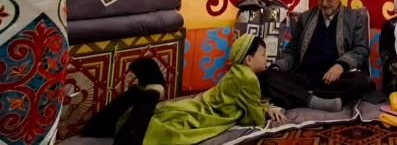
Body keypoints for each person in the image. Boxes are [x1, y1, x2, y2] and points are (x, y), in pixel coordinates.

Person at [81, 34, 284, 144]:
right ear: (249, 59)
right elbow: (253, 119)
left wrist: (262, 106)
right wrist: (264, 111)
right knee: (135, 139)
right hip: (205, 115)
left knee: (94, 130)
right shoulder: (249, 78)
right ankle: (153, 91)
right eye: (263, 54)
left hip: (198, 105)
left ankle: (138, 91)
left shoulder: (235, 72)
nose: (266, 58)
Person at [259, 0, 373, 112]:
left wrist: (341, 65)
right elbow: (292, 51)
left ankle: (301, 96)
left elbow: (361, 49)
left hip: (336, 79)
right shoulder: (305, 18)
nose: (324, 4)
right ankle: (315, 100)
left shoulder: (354, 18)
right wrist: (278, 67)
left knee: (361, 81)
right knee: (266, 76)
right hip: (306, 77)